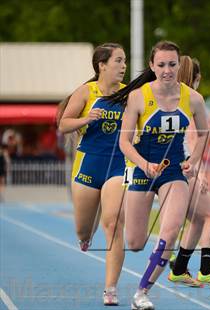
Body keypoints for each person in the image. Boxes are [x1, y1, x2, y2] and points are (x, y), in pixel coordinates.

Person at [112, 41, 209, 310]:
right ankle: (153, 249)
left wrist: (194, 160)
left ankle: (142, 292)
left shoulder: (193, 98)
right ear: (152, 66)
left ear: (179, 65)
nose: (167, 70)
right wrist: (144, 164)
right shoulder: (139, 97)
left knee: (171, 229)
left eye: (172, 65)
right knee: (135, 242)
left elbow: (204, 134)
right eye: (162, 65)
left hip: (174, 170)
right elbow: (124, 143)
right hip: (142, 170)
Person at [57, 43, 127, 306]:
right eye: (119, 61)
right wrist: (87, 119)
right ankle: (85, 237)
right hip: (88, 167)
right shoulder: (87, 92)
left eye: (125, 61)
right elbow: (63, 124)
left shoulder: (129, 94)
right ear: (102, 65)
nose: (123, 66)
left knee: (114, 223)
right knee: (84, 229)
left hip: (118, 166)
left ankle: (110, 289)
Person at [168, 56, 210, 286]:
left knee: (198, 221)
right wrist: (198, 173)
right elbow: (191, 141)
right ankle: (206, 268)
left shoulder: (174, 100)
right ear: (197, 79)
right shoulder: (192, 102)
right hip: (186, 170)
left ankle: (179, 268)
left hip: (173, 169)